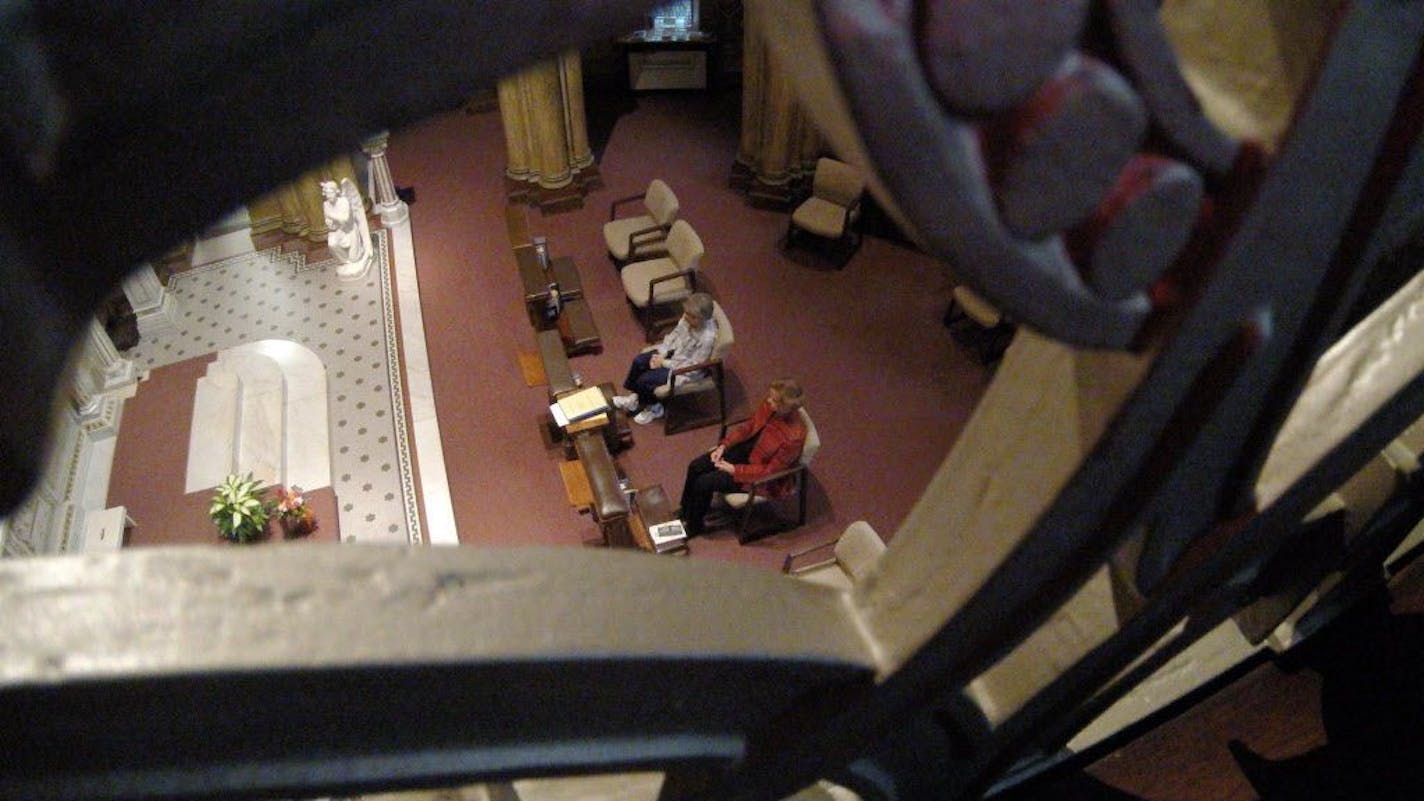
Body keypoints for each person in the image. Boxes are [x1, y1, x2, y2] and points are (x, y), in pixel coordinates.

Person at [678, 378, 807, 536]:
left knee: (704, 482)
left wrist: (735, 470)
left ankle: (694, 525)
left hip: (758, 476)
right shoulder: (770, 407)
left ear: (785, 407)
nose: (768, 401)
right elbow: (748, 427)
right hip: (746, 451)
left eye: (773, 400)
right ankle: (686, 510)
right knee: (695, 466)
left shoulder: (794, 437)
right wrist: (724, 446)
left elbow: (770, 471)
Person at [612, 292, 718, 425]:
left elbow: (692, 367)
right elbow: (674, 336)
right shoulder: (687, 318)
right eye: (686, 313)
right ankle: (635, 399)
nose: (685, 318)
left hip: (683, 371)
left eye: (691, 316)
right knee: (639, 361)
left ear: (701, 319)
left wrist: (664, 363)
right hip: (672, 355)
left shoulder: (707, 338)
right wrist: (663, 353)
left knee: (646, 379)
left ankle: (655, 408)